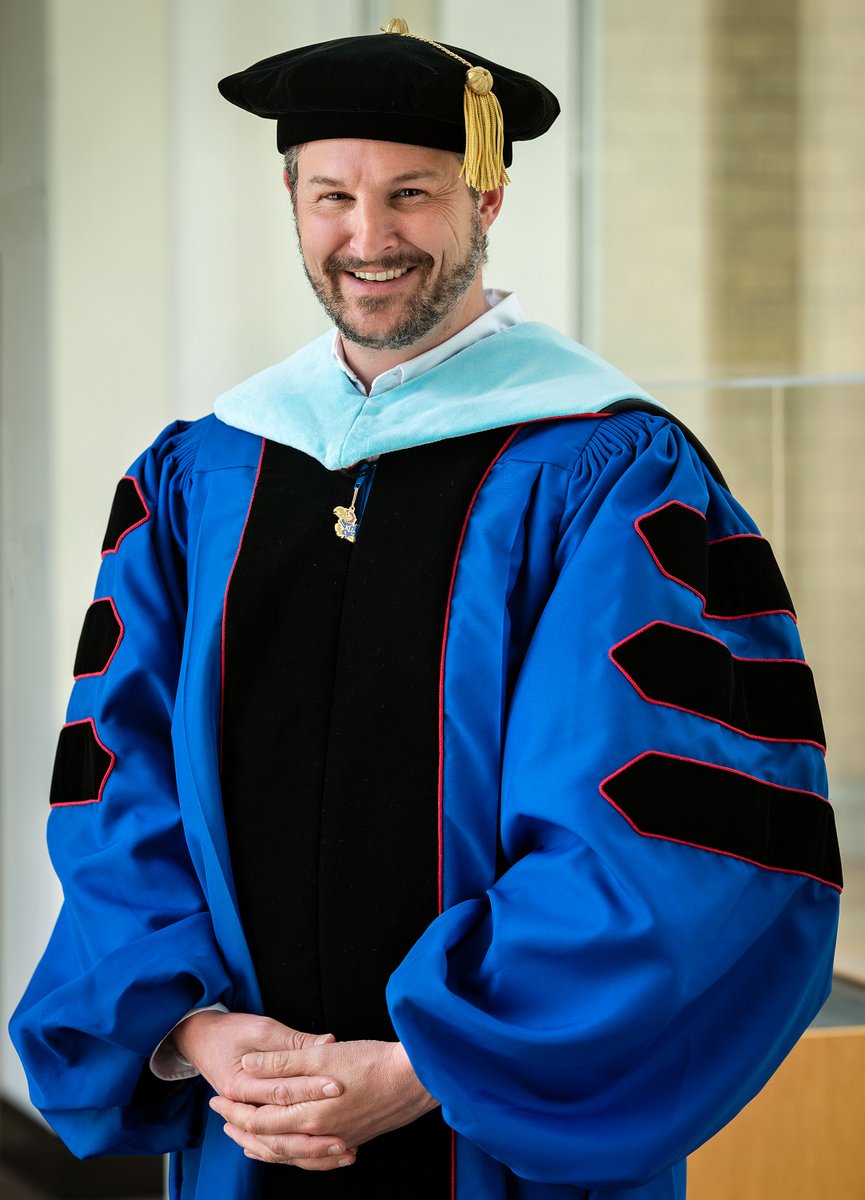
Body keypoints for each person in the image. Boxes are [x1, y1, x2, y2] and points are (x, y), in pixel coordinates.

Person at [11, 17, 842, 1200]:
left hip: (498, 1129)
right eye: (331, 195)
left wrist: (428, 1065)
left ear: (486, 200)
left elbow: (662, 835)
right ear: (290, 199)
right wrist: (196, 1034)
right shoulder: (203, 476)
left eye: (412, 192)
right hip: (244, 1124)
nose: (368, 235)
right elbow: (116, 781)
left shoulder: (607, 473)